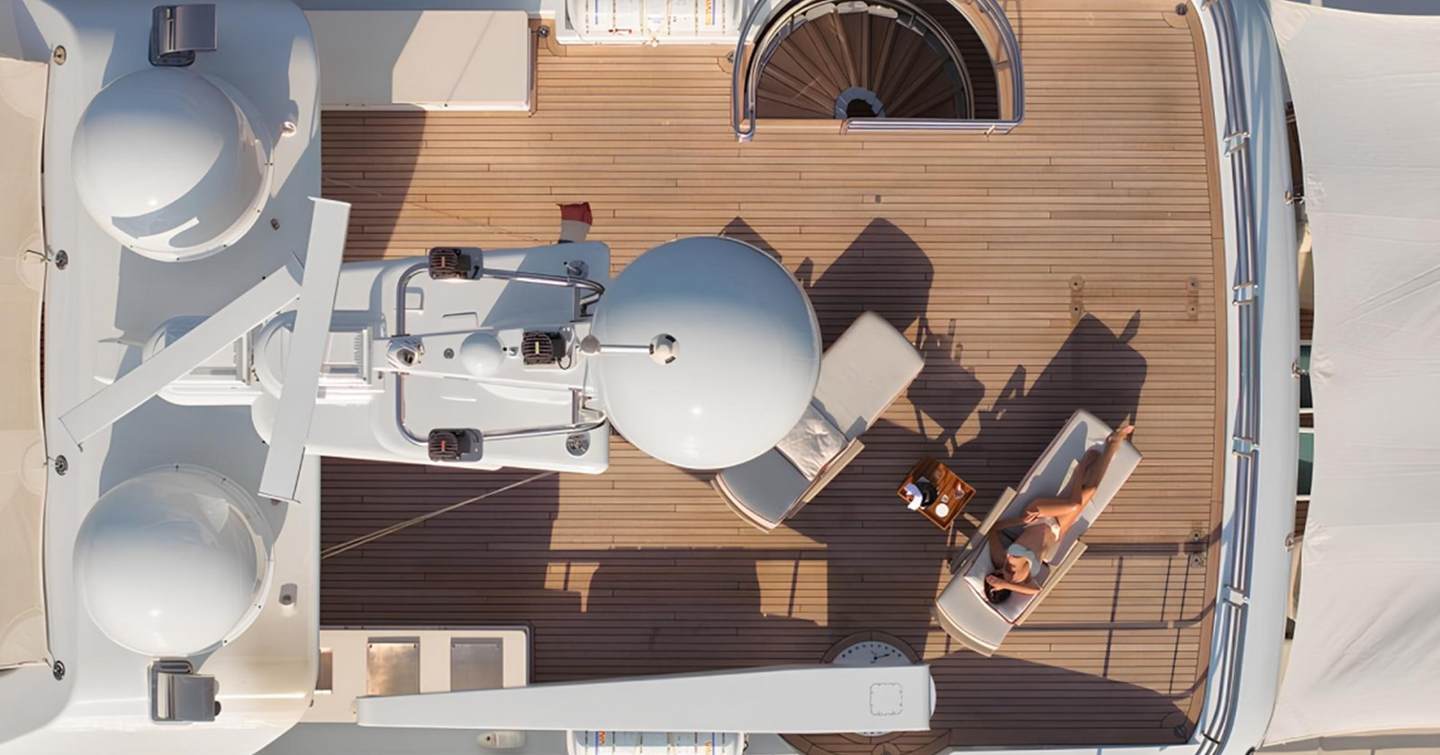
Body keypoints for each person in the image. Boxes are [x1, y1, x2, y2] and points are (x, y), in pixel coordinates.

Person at [983, 423, 1135, 603]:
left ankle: (1085, 465)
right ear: (1005, 588)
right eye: (999, 581)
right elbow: (1036, 591)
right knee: (1091, 489)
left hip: (1036, 516)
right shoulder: (1022, 581)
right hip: (1057, 529)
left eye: (994, 577)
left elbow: (993, 528)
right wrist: (1007, 585)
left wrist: (1019, 520)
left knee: (1074, 504)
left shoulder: (999, 558)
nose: (998, 575)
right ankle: (1110, 445)